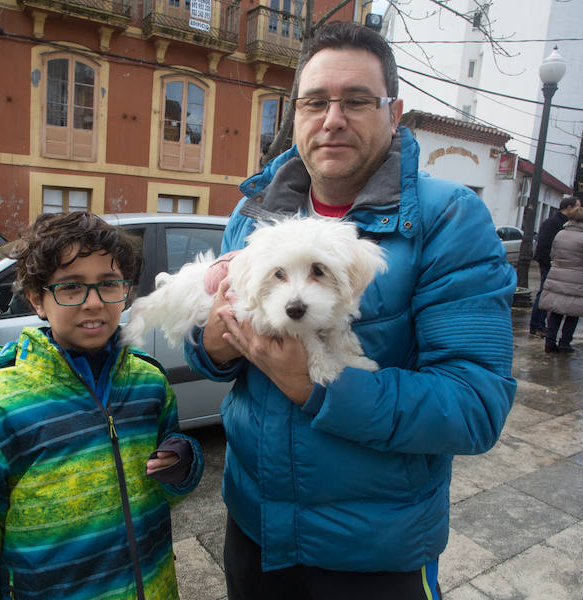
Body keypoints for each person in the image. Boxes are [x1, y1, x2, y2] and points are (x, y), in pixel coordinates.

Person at [184, 22, 516, 600]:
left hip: (373, 554)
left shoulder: (448, 220)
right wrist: (210, 347)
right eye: (315, 102)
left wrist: (316, 387)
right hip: (253, 530)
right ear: (296, 114)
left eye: (357, 101)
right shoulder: (253, 212)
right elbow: (214, 349)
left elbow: (474, 406)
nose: (332, 118)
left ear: (395, 113)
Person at [0, 211, 204, 600]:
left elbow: (167, 476)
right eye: (71, 288)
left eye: (109, 285)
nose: (93, 303)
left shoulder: (148, 383)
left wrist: (182, 462)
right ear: (37, 299)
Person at [538, 206, 583, 354]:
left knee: (556, 311)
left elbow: (553, 255)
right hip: (578, 279)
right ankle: (565, 343)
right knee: (573, 313)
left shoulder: (561, 234)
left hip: (558, 275)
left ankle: (550, 341)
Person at [528, 195, 581, 337]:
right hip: (550, 265)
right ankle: (536, 326)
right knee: (545, 295)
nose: (579, 210)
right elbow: (544, 246)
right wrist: (550, 263)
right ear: (569, 207)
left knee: (549, 297)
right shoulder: (553, 223)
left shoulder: (564, 223)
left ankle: (541, 324)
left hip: (556, 265)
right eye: (577, 206)